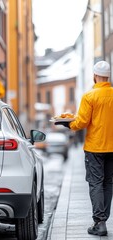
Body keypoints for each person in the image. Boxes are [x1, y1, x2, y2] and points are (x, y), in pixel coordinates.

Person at [55, 61, 113, 236]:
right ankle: (104, 219)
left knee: (96, 182)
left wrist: (68, 124)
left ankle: (99, 222)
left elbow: (82, 121)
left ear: (94, 76)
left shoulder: (90, 96)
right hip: (112, 146)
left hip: (95, 147)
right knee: (108, 182)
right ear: (108, 76)